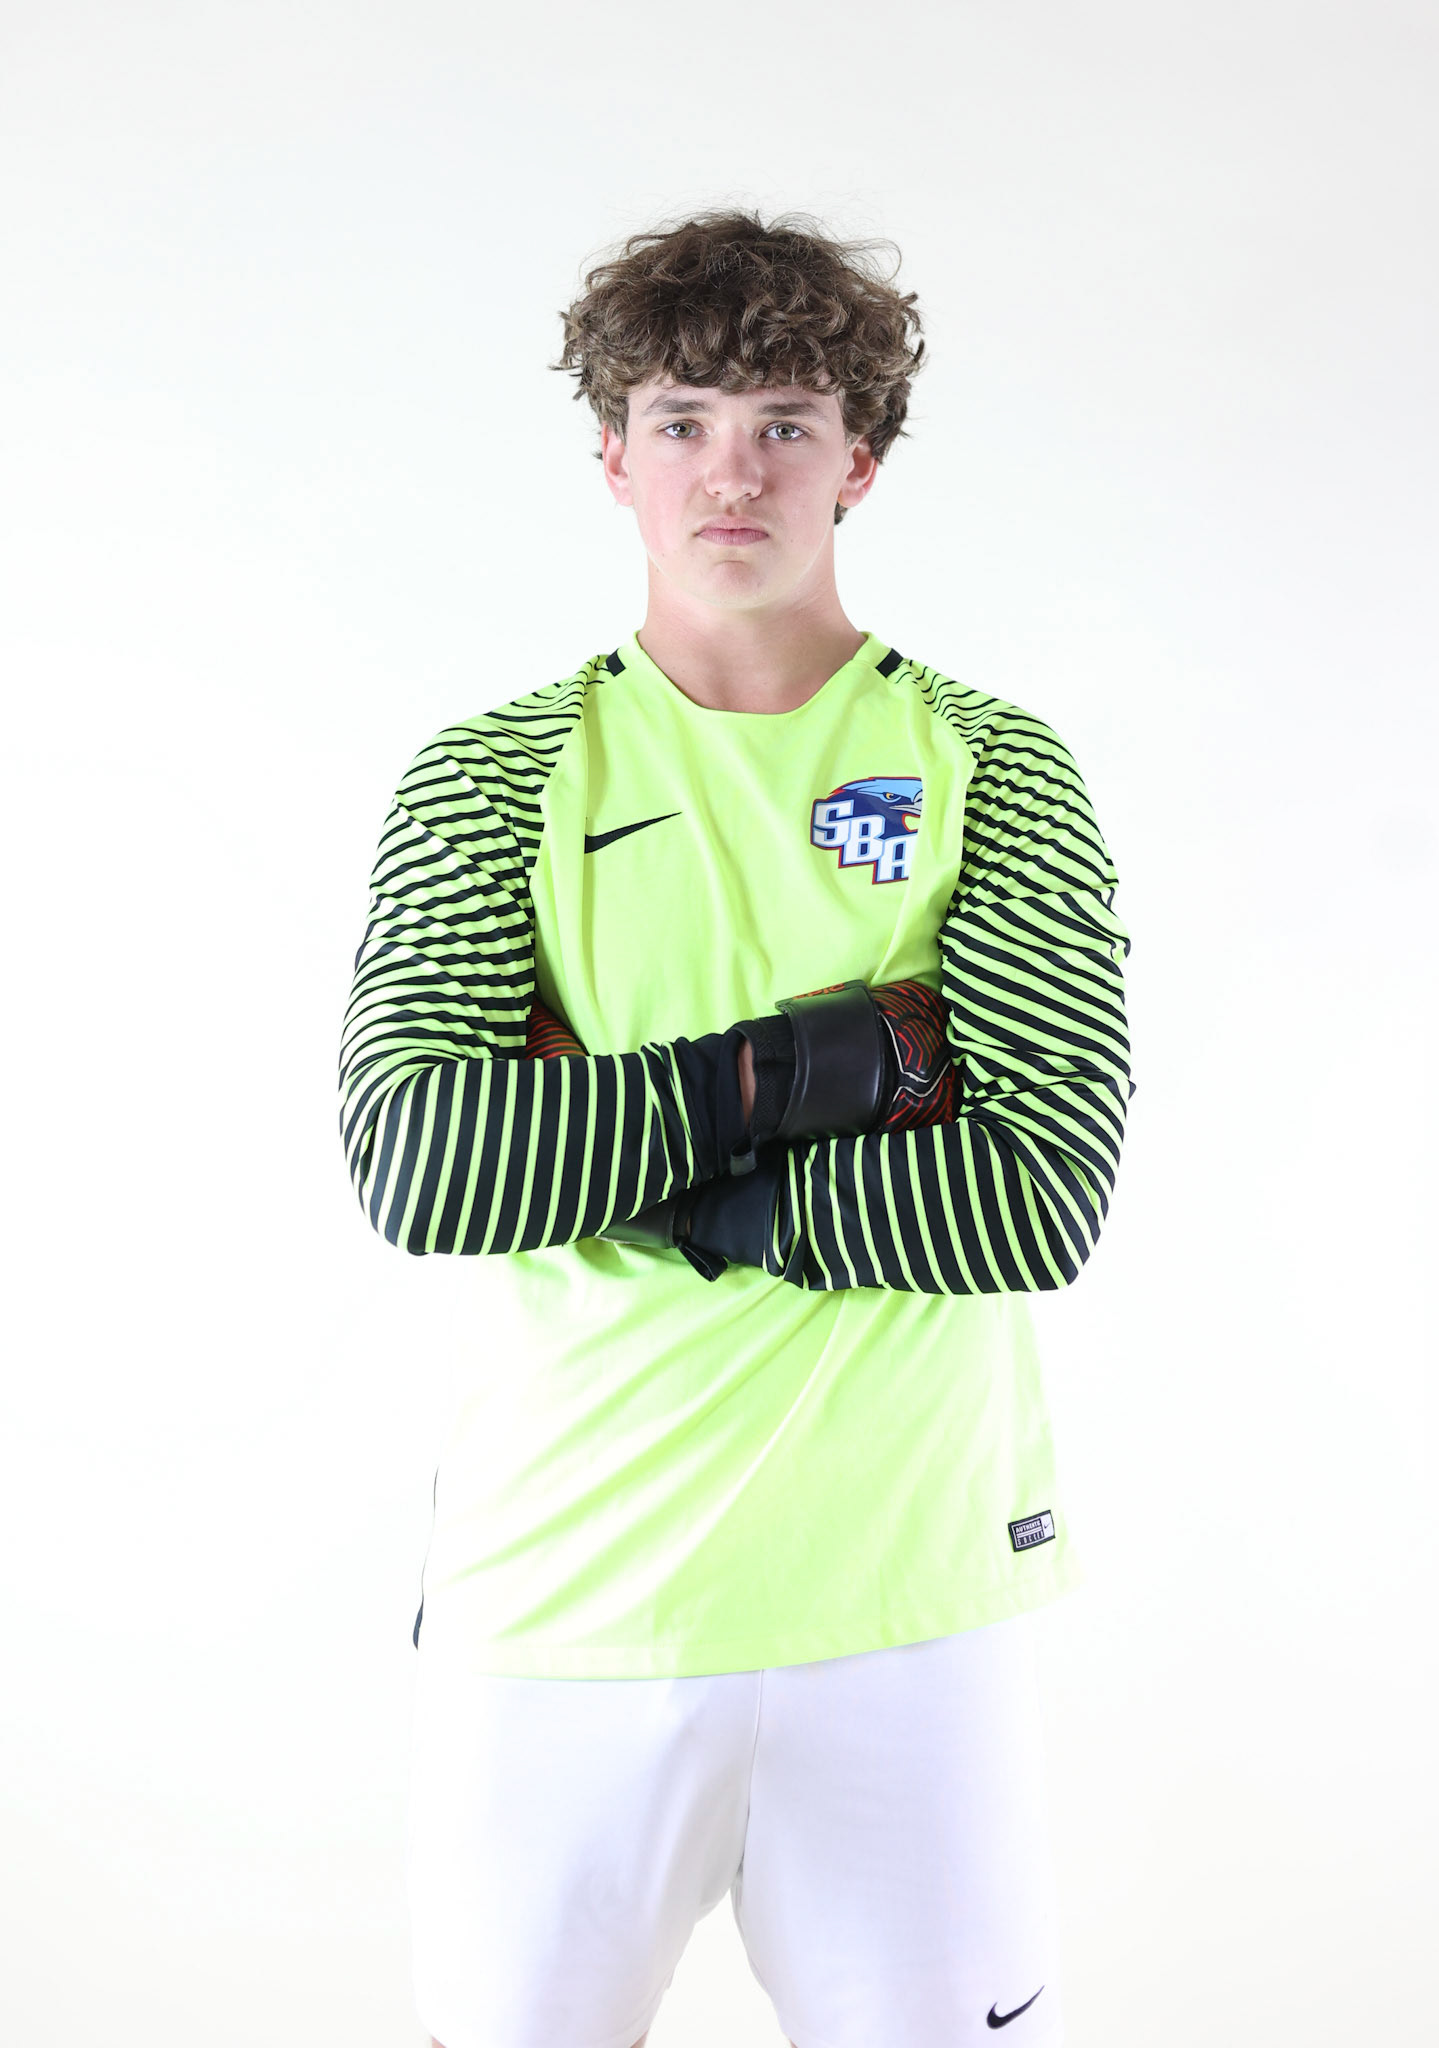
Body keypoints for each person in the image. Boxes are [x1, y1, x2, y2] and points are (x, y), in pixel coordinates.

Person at [337, 207, 1135, 2048]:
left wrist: (621, 1134)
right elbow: (431, 1161)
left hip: (911, 1608)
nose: (733, 471)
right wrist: (850, 1061)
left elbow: (1032, 1200)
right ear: (611, 456)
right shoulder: (497, 771)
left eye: (786, 421)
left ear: (862, 460)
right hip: (557, 1611)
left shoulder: (992, 766)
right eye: (684, 418)